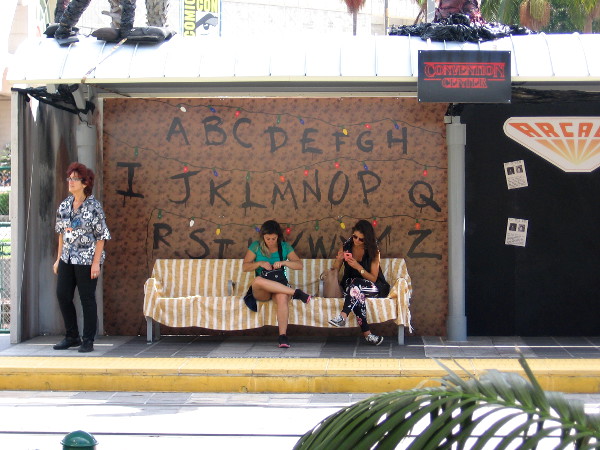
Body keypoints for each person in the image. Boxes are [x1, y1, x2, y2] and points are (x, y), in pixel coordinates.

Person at [53, 162, 111, 353]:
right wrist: (58, 258)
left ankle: (88, 339)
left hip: (86, 259)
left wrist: (96, 263)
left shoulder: (94, 207)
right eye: (69, 178)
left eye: (75, 179)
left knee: (87, 299)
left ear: (85, 183)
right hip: (67, 258)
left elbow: (101, 236)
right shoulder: (64, 206)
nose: (70, 182)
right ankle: (72, 336)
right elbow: (61, 234)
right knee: (62, 294)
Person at [242, 220, 312, 348]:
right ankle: (296, 293)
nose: (270, 241)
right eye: (267, 238)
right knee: (256, 281)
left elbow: (299, 265)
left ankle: (283, 337)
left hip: (279, 285)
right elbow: (245, 267)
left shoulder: (284, 246)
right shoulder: (256, 246)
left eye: (273, 238)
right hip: (262, 289)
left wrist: (284, 262)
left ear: (278, 237)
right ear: (262, 236)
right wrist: (259, 263)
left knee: (281, 297)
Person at [328, 220, 390, 346]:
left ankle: (343, 316)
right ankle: (368, 335)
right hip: (351, 285)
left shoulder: (373, 251)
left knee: (356, 286)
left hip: (372, 285)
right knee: (356, 293)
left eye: (361, 239)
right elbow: (335, 270)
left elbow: (373, 278)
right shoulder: (346, 246)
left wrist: (358, 267)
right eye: (354, 237)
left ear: (367, 240)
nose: (356, 241)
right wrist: (338, 260)